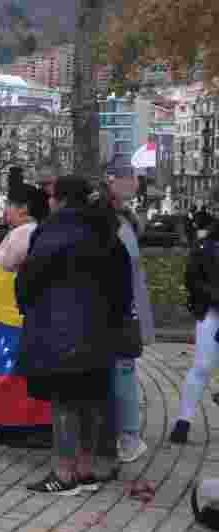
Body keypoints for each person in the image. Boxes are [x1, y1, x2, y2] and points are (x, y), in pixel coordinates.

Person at [16, 175, 130, 495]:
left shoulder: (54, 231)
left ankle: (63, 475)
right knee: (91, 400)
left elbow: (29, 279)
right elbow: (123, 285)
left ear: (61, 200)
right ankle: (85, 469)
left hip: (59, 329)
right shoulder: (107, 232)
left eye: (52, 197)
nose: (48, 202)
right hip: (100, 330)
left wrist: (26, 304)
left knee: (64, 402)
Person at [0, 183, 52, 449]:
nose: (5, 211)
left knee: (14, 372)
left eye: (8, 206)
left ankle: (20, 425)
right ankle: (29, 424)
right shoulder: (40, 230)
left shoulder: (22, 233)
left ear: (23, 209)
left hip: (13, 315)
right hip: (32, 311)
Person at [101, 164, 154, 464]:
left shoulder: (121, 222)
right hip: (122, 311)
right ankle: (127, 436)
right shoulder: (120, 222)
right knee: (122, 372)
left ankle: (127, 436)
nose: (136, 182)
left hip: (119, 311)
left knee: (122, 372)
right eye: (131, 177)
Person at [172, 210, 219, 444]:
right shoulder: (205, 247)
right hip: (211, 312)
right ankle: (183, 420)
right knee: (202, 365)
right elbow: (192, 279)